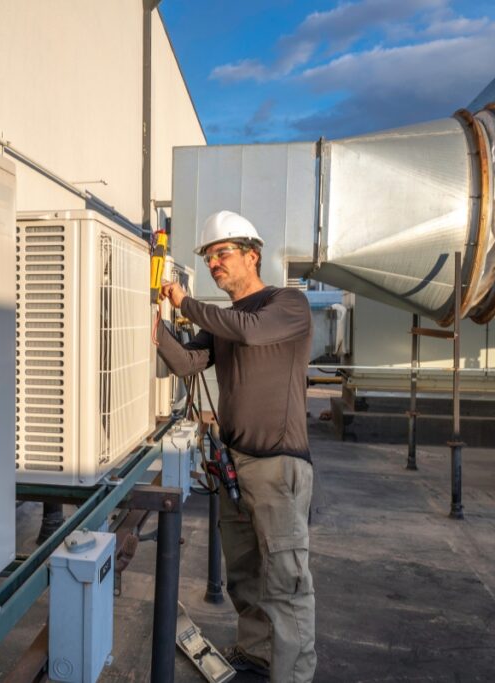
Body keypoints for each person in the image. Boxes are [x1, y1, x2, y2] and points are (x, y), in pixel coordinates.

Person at [157, 210, 316, 682]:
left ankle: (293, 675)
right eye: (209, 257)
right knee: (245, 575)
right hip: (235, 463)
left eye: (222, 253)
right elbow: (187, 363)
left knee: (286, 582)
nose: (214, 264)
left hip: (278, 468)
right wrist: (152, 321)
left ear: (252, 255)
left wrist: (185, 302)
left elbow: (250, 331)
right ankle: (257, 652)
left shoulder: (287, 305)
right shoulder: (223, 322)